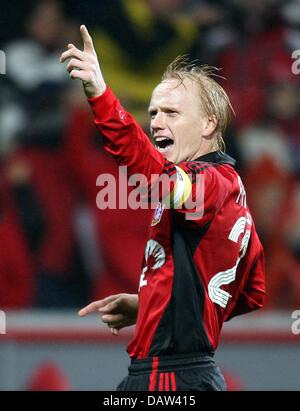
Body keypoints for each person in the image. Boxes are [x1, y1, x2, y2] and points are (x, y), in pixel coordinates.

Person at [60, 25, 266, 391]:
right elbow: (251, 291)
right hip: (174, 373)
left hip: (173, 377)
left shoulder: (208, 181)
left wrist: (100, 94)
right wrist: (155, 304)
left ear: (208, 124)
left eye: (172, 112)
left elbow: (157, 178)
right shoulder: (228, 188)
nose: (156, 121)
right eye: (154, 112)